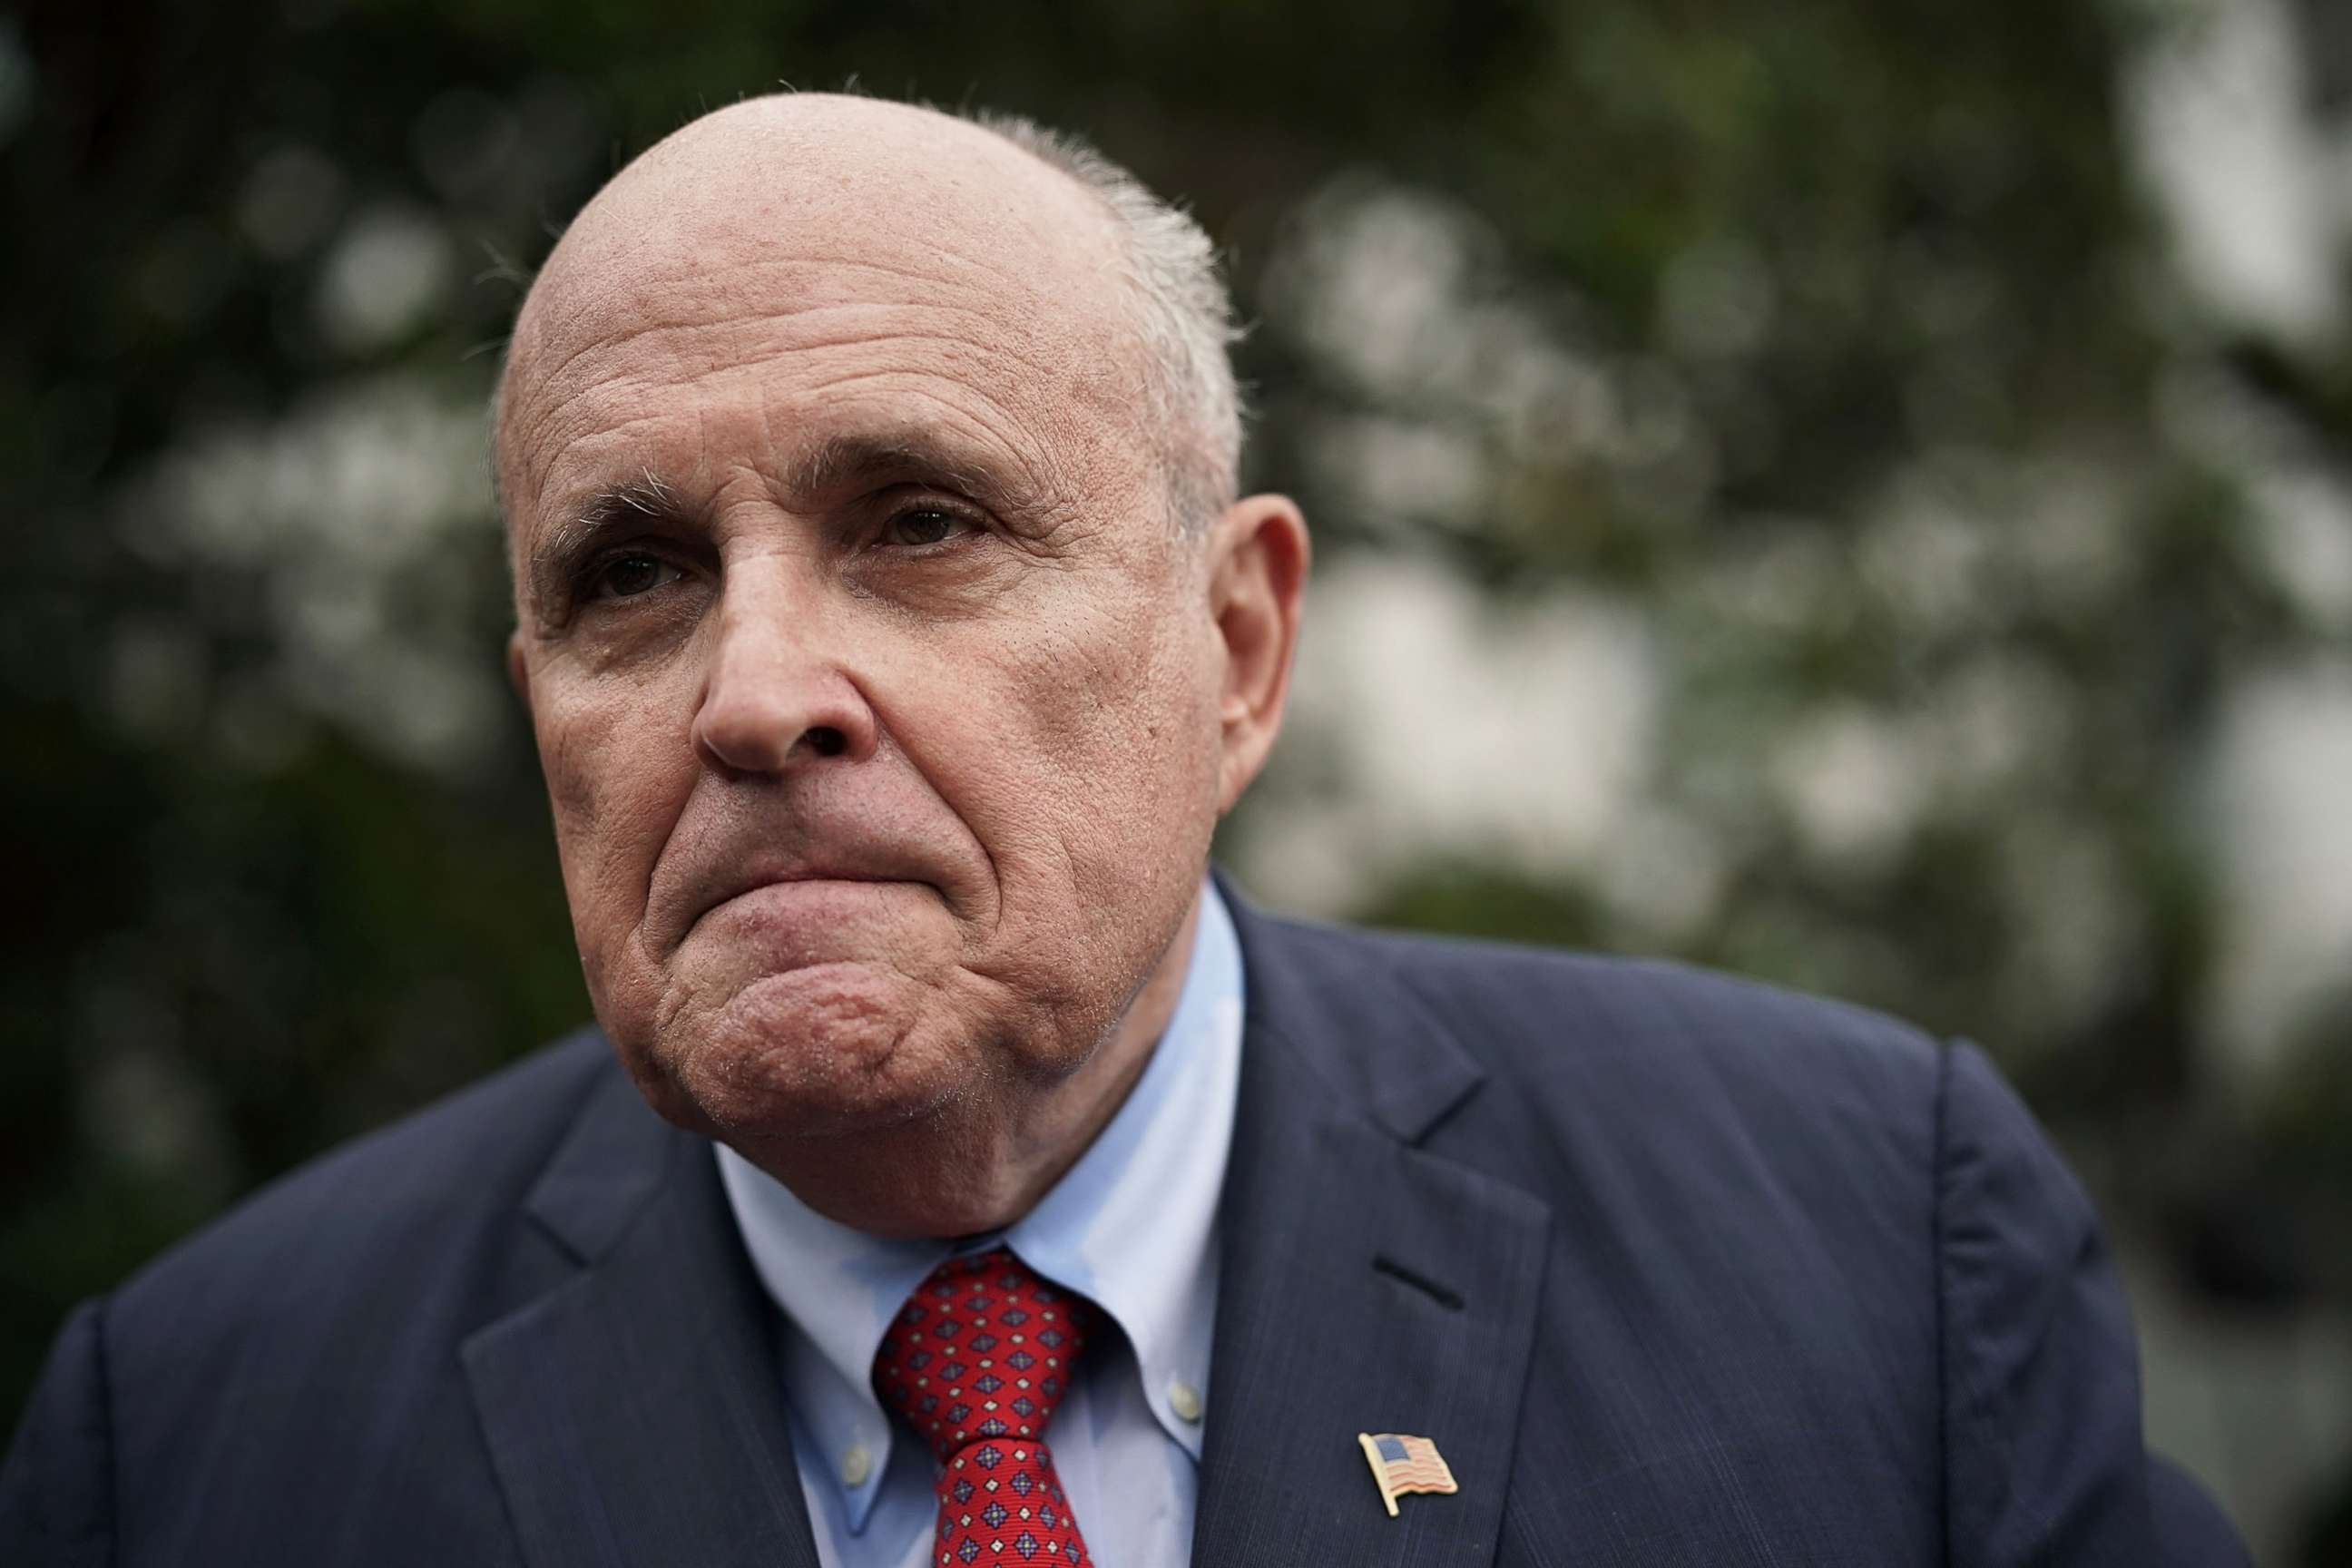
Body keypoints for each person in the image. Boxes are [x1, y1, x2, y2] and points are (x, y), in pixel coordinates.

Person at [1, 93, 2246, 1567]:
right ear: (541, 715)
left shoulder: (1860, 1255)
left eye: (922, 522)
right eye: (631, 577)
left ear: (1238, 643)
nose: (758, 688)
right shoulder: (196, 1448)